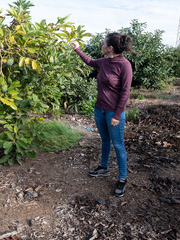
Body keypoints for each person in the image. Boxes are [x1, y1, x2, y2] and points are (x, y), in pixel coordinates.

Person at [71, 32, 133, 197]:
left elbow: (125, 93)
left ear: (110, 47)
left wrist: (117, 115)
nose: (101, 46)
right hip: (99, 109)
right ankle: (103, 167)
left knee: (118, 144)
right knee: (105, 140)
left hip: (114, 112)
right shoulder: (104, 62)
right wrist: (77, 49)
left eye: (103, 43)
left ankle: (122, 178)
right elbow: (90, 61)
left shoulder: (124, 65)